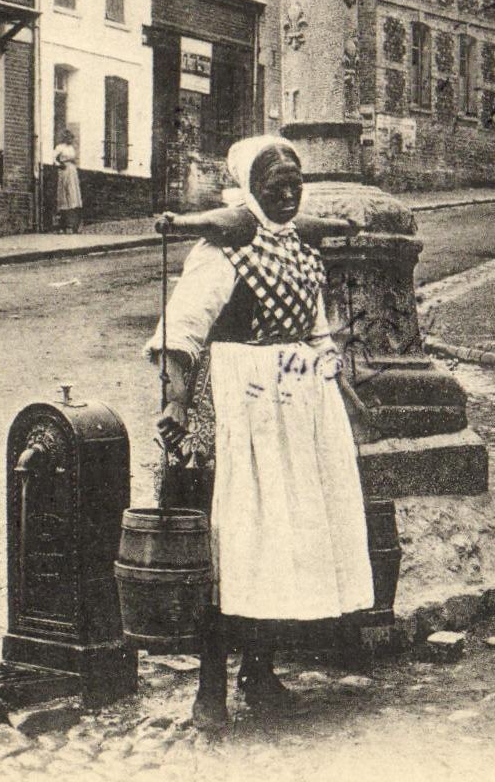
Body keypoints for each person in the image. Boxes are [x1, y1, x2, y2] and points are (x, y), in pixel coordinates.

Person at [148, 134, 374, 732]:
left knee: (285, 542)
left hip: (299, 408)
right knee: (233, 543)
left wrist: (336, 380)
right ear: (251, 189)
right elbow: (181, 331)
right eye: (276, 188)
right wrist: (174, 401)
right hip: (236, 405)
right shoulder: (223, 252)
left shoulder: (303, 250)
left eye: (295, 186)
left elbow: (318, 328)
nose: (288, 196)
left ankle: (261, 670)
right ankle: (209, 689)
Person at [54, 134, 83, 233]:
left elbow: (73, 159)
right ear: (64, 138)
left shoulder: (71, 148)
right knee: (64, 193)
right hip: (64, 170)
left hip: (72, 170)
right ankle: (62, 223)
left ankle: (73, 221)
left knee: (73, 192)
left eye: (71, 138)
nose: (70, 140)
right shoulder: (59, 147)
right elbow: (53, 159)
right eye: (68, 138)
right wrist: (60, 164)